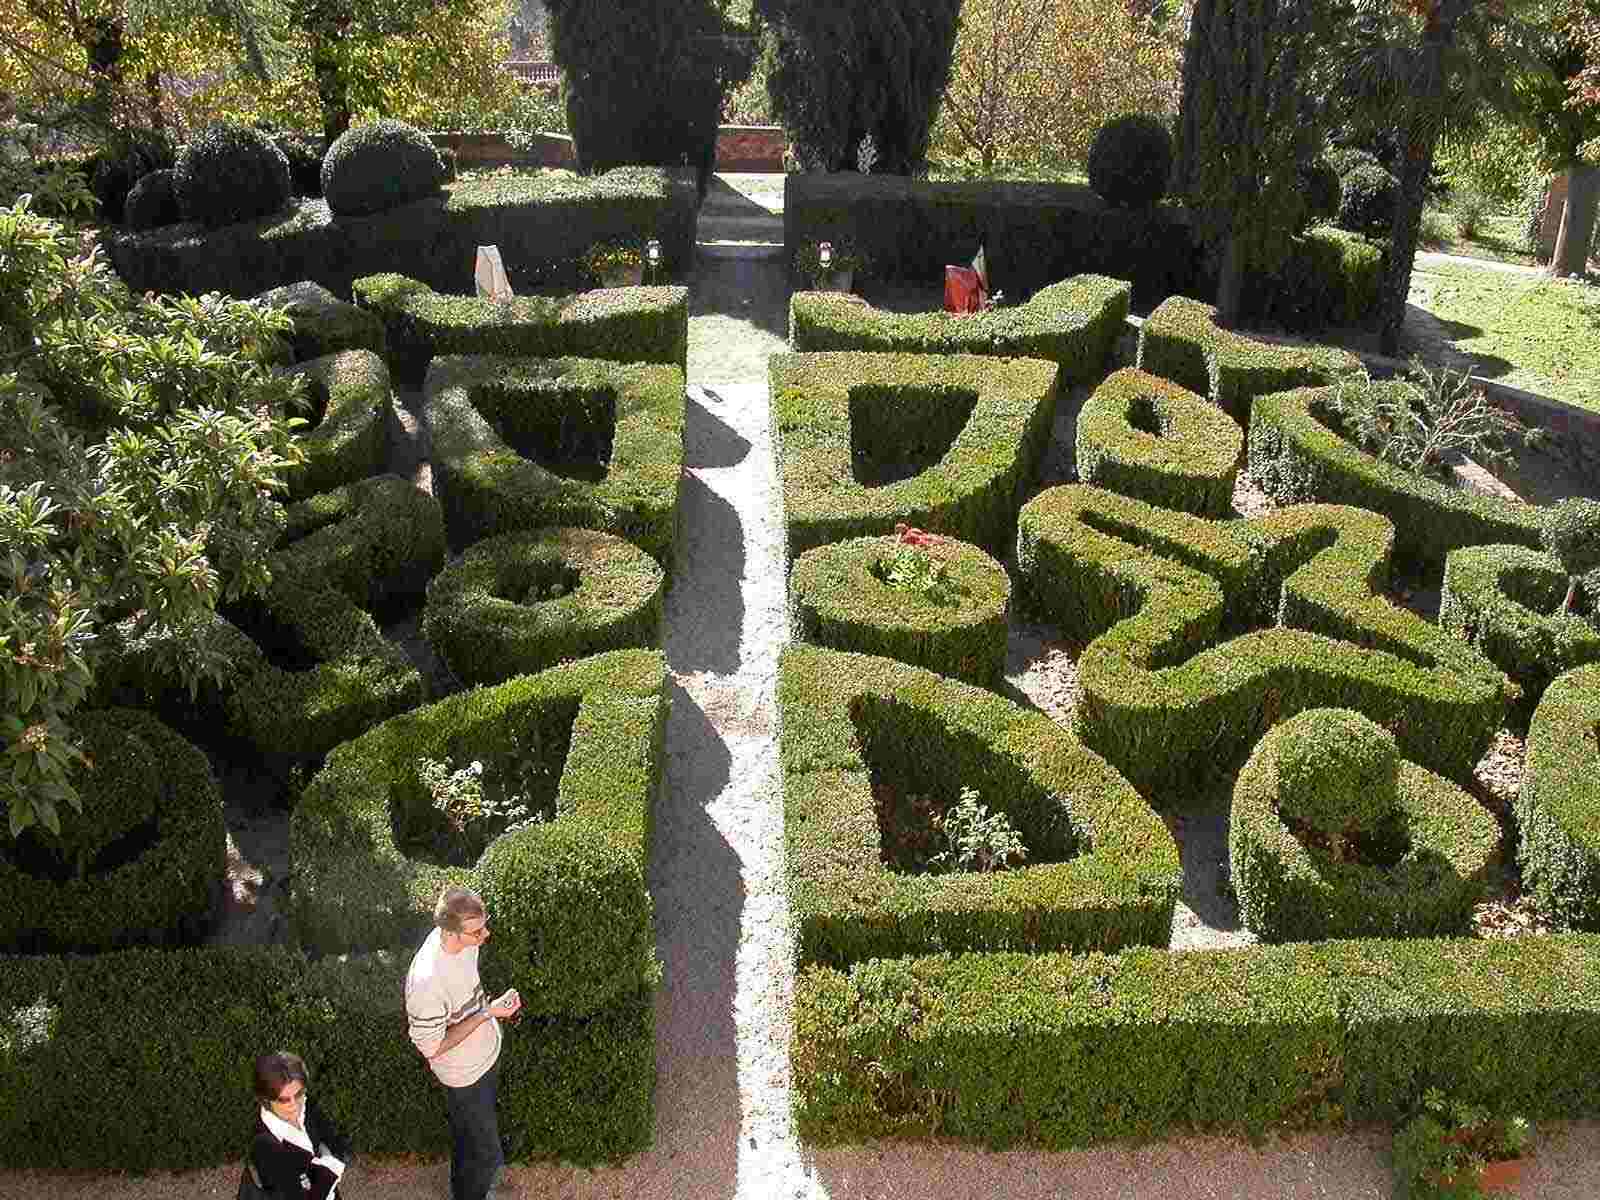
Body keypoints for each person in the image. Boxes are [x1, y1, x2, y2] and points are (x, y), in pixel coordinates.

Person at [406, 886, 523, 1200]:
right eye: (476, 932)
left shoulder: (464, 943)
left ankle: (462, 1188)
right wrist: (487, 1013)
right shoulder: (426, 981)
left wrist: (492, 1011)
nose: (485, 935)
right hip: (464, 1075)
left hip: (485, 1057)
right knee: (487, 1155)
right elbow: (432, 1048)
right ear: (450, 931)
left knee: (467, 1138)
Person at [248, 1051, 352, 1200]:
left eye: (298, 1095)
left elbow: (337, 1143)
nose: (294, 1105)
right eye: (283, 1100)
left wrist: (325, 1168)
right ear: (266, 1099)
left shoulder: (307, 1105)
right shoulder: (264, 1144)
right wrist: (330, 1164)